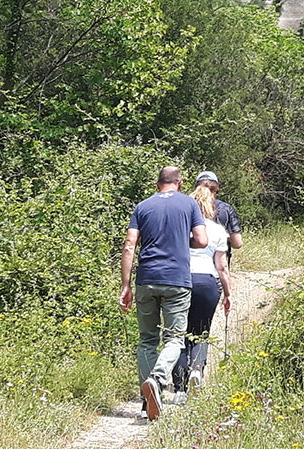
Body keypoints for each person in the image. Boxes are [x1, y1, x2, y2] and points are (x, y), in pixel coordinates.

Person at [120, 165, 206, 420]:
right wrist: (181, 239)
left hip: (146, 279)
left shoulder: (143, 207)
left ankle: (148, 400)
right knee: (174, 339)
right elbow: (201, 240)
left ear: (158, 184)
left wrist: (125, 286)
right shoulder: (189, 205)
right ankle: (157, 380)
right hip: (176, 280)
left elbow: (129, 246)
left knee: (147, 340)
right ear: (179, 183)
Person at [179, 179, 235, 389]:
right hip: (207, 281)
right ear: (212, 207)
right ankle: (196, 369)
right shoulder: (218, 230)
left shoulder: (181, 227)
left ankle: (179, 387)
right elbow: (222, 267)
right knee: (201, 331)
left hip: (181, 281)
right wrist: (228, 294)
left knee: (180, 332)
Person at [195, 170, 243, 258]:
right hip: (218, 262)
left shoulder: (188, 206)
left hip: (190, 264)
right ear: (216, 189)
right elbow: (237, 243)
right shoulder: (226, 208)